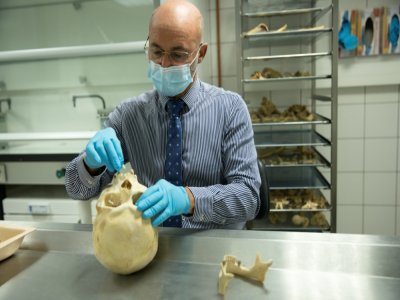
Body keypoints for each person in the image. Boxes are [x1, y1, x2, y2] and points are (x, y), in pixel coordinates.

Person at [65, 0, 261, 229]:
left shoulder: (230, 109)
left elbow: (249, 198)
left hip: (215, 247)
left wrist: (189, 199)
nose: (165, 64)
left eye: (178, 54)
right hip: (150, 245)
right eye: (156, 51)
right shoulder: (129, 115)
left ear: (201, 54)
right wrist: (90, 164)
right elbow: (76, 189)